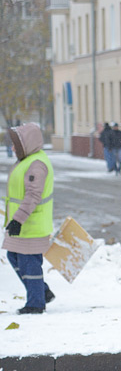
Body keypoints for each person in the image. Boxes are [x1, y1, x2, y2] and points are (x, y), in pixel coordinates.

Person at [4, 123, 55, 315]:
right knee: (14, 256)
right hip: (23, 223)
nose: (13, 148)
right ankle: (42, 292)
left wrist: (18, 220)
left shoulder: (36, 165)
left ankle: (36, 304)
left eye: (16, 144)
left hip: (31, 224)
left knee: (29, 263)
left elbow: (33, 196)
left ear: (28, 143)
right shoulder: (28, 160)